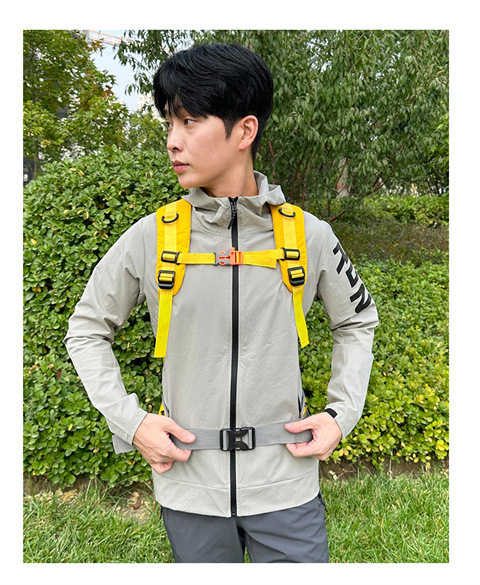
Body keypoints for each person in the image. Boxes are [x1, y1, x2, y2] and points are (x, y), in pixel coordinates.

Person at [64, 43, 378, 563]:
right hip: (189, 488)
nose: (173, 140)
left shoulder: (310, 235)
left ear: (244, 131)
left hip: (287, 486)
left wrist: (341, 414)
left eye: (189, 121)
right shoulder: (151, 237)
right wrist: (131, 422)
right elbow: (86, 329)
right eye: (170, 123)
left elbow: (357, 321)